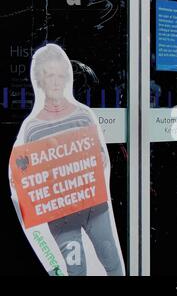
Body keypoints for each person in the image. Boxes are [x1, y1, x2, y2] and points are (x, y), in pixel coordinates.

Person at [11, 43, 125, 276]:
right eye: (49, 75)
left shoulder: (84, 114)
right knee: (75, 270)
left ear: (66, 78)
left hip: (94, 207)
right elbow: (26, 171)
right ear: (40, 79)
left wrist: (100, 158)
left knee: (111, 259)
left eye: (59, 75)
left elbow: (100, 155)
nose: (55, 81)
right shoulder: (31, 127)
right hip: (60, 216)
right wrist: (19, 178)